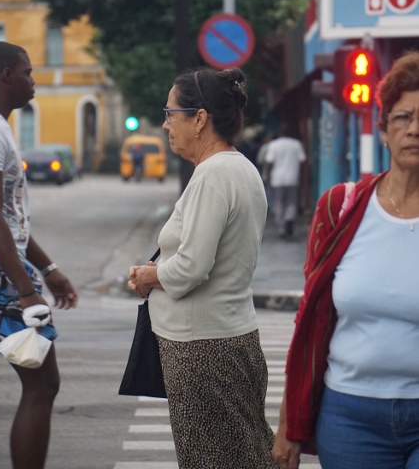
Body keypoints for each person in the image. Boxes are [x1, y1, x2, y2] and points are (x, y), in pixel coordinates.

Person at [272, 50, 419, 469]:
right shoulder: (341, 207)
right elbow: (310, 317)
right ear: (384, 130)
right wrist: (288, 423)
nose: (415, 130)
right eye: (403, 118)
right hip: (351, 417)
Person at [128, 67, 277, 468]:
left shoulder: (214, 174)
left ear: (199, 118)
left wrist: (148, 276)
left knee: (210, 460)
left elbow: (192, 267)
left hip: (202, 349)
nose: (165, 124)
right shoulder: (241, 168)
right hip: (228, 335)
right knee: (245, 454)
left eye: (171, 113)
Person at [0, 41, 78, 469]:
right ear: (6, 74)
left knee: (41, 384)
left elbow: (11, 217)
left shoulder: (0, 129)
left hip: (7, 270)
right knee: (42, 384)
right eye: (27, 72)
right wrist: (26, 290)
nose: (33, 81)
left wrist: (48, 268)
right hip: (0, 279)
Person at [264, 125, 306, 237]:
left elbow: (269, 163)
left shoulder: (273, 145)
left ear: (280, 134)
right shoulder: (296, 144)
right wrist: (303, 177)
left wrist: (267, 176)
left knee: (279, 202)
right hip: (293, 178)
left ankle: (281, 228)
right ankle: (289, 218)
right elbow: (302, 162)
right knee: (291, 201)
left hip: (277, 179)